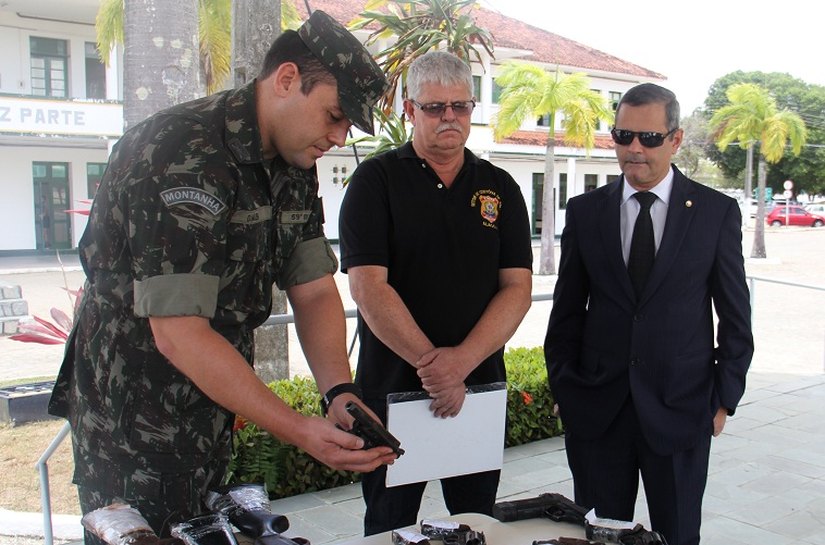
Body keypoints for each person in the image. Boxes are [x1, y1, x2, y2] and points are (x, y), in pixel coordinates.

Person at [48, 10, 397, 542]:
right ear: (286, 80)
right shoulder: (180, 152)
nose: (337, 134)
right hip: (130, 419)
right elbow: (178, 331)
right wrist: (302, 431)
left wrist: (338, 391)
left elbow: (314, 288)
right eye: (333, 114)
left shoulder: (293, 163)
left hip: (210, 408)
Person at [544, 83, 754, 545]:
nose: (634, 149)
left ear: (675, 140)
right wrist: (566, 388)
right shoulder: (585, 212)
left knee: (677, 536)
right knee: (599, 537)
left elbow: (736, 318)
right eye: (623, 136)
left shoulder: (715, 213)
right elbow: (566, 315)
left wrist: (721, 401)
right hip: (598, 414)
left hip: (681, 413)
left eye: (649, 138)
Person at [338, 51, 534, 536]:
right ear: (409, 109)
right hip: (392, 396)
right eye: (434, 107)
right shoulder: (374, 182)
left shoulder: (500, 187)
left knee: (474, 524)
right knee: (389, 525)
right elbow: (367, 286)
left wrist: (460, 365)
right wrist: (436, 368)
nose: (450, 117)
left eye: (460, 106)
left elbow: (517, 289)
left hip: (476, 391)